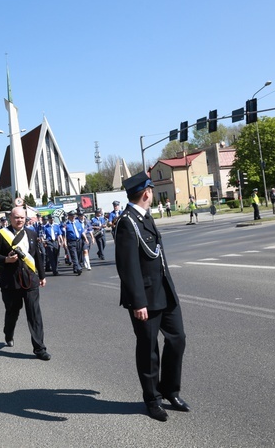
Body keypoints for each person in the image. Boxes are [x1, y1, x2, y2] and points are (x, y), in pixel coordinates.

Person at [115, 171, 189, 422]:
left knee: (177, 339)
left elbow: (156, 256)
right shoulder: (127, 222)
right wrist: (138, 302)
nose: (153, 194)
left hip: (164, 291)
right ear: (146, 192)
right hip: (145, 298)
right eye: (152, 190)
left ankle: (170, 389)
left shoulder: (143, 217)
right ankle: (152, 399)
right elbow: (127, 267)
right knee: (148, 350)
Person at [0, 206, 50, 361]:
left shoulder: (31, 233)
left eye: (22, 217)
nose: (19, 220)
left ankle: (40, 348)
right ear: (11, 218)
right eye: (16, 217)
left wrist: (42, 276)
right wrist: (6, 259)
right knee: (12, 312)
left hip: (30, 280)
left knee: (34, 313)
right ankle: (8, 333)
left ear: (25, 218)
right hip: (11, 282)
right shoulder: (2, 234)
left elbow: (37, 257)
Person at [64, 210, 84, 275]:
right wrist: (65, 243)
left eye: (74, 216)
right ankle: (78, 268)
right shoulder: (66, 225)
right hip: (71, 242)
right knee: (74, 256)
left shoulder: (78, 222)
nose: (73, 217)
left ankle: (75, 268)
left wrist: (86, 239)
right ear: (69, 217)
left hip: (79, 241)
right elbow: (64, 235)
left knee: (79, 255)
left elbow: (82, 232)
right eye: (71, 216)